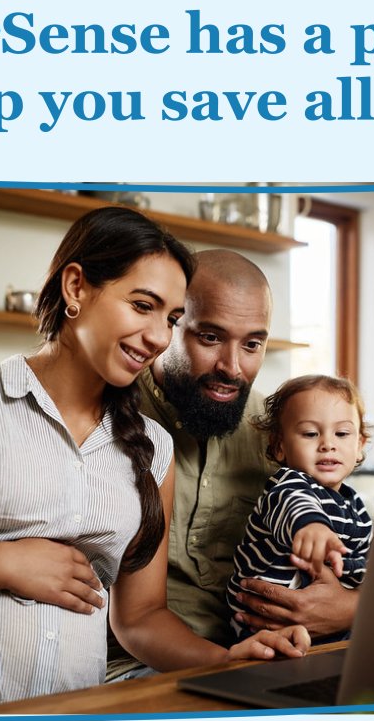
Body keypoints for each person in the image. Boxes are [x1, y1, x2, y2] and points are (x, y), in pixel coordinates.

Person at [0, 208, 308, 713]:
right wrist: (1, 562)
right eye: (142, 306)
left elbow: (140, 617)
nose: (159, 337)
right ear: (76, 287)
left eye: (169, 318)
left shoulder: (152, 447)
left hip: (75, 717)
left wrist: (228, 661)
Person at [107, 250, 361, 680]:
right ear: (170, 325)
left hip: (273, 656)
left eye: (252, 344)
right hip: (143, 666)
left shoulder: (281, 432)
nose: (232, 367)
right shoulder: (112, 421)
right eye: (209, 337)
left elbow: (347, 545)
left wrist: (348, 609)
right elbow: (133, 617)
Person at [226, 375, 373, 639]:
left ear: (360, 445)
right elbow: (295, 504)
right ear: (279, 447)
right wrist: (312, 526)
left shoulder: (356, 507)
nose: (328, 444)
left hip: (331, 627)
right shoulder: (287, 484)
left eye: (342, 433)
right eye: (310, 434)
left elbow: (365, 562)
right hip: (263, 626)